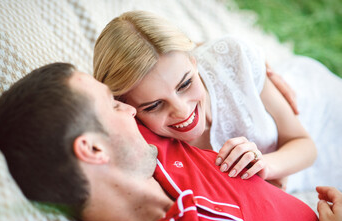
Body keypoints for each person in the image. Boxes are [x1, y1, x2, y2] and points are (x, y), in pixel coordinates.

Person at [0, 63, 321, 221]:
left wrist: (250, 68)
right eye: (112, 106)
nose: (130, 110)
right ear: (92, 148)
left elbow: (167, 61)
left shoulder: (148, 143)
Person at [93, 10, 342, 193]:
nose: (182, 111)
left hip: (320, 105)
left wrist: (266, 165)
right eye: (154, 105)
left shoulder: (235, 60)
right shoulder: (138, 138)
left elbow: (305, 145)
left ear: (194, 61)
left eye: (185, 84)